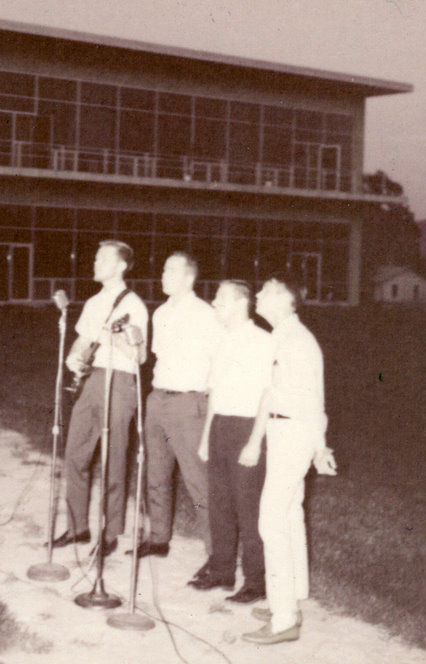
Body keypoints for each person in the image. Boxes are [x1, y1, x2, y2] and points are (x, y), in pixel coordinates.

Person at [240, 274, 337, 646]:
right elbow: (271, 392)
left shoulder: (297, 341)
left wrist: (319, 447)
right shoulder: (283, 336)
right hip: (287, 432)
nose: (258, 296)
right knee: (290, 514)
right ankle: (289, 601)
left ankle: (283, 621)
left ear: (285, 298)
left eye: (264, 291)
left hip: (295, 432)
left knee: (272, 520)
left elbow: (313, 400)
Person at [52, 240, 148, 557]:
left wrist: (117, 336)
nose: (95, 262)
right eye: (95, 256)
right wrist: (73, 359)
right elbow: (84, 339)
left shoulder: (133, 305)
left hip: (119, 381)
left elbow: (140, 355)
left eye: (102, 258)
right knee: (75, 453)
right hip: (93, 380)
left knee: (113, 458)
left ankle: (110, 532)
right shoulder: (95, 302)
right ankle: (78, 527)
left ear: (121, 265)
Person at [133, 252, 221, 580]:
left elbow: (219, 362)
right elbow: (158, 357)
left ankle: (216, 555)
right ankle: (158, 538)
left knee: (198, 481)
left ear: (189, 277)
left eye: (172, 270)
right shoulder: (160, 313)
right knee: (155, 473)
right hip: (158, 399)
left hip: (188, 404)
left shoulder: (205, 314)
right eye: (164, 268)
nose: (163, 275)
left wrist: (208, 404)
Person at [192, 280, 274, 602]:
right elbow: (215, 392)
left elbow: (269, 394)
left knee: (249, 510)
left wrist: (255, 441)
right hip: (221, 427)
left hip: (247, 427)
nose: (214, 303)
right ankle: (222, 572)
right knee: (220, 506)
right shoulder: (222, 341)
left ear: (241, 303)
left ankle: (256, 582)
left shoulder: (263, 342)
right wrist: (205, 436)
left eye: (220, 299)